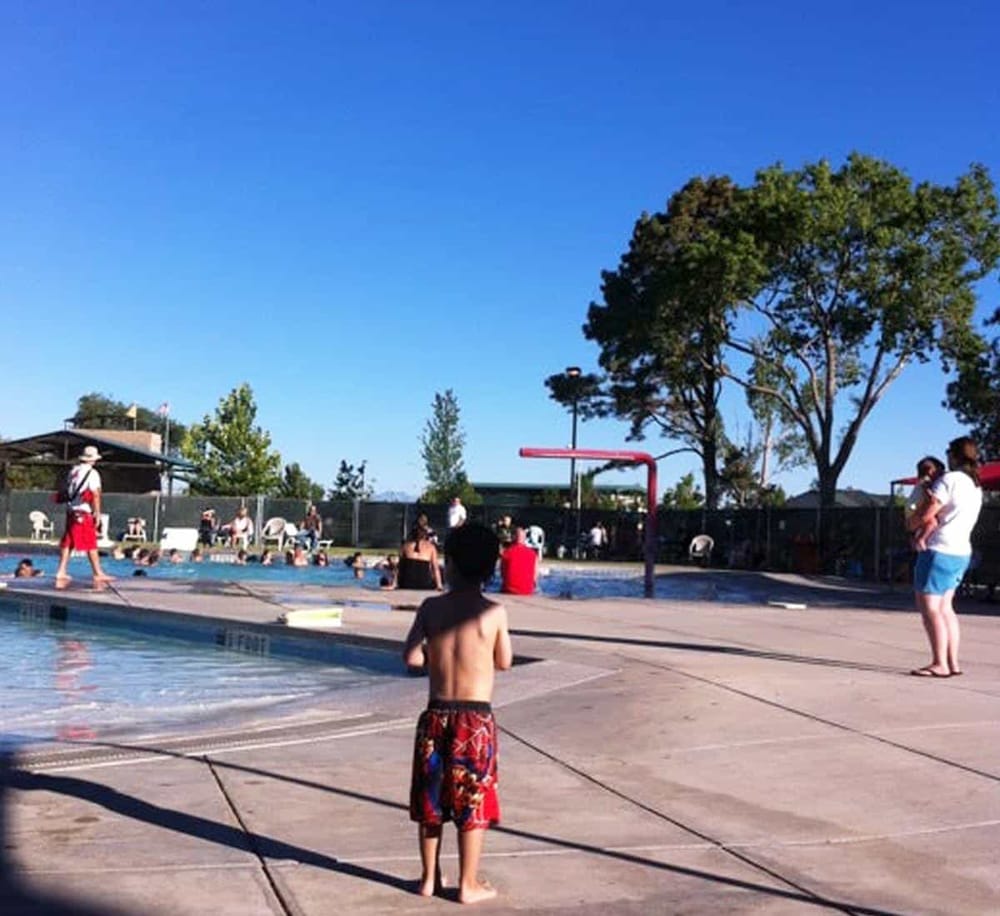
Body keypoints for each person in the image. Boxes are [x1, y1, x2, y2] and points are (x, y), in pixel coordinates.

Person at [403, 523, 513, 903]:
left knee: (431, 801)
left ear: (448, 565)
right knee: (472, 801)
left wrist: (438, 653)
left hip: (436, 716)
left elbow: (412, 657)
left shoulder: (431, 608)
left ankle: (428, 878)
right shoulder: (494, 612)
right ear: (491, 569)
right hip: (475, 722)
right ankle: (468, 883)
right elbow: (505, 661)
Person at [911, 436, 983, 678]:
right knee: (946, 608)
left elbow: (928, 513)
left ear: (954, 456)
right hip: (961, 550)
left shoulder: (949, 480)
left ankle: (939, 662)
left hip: (939, 550)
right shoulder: (975, 485)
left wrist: (913, 522)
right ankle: (952, 663)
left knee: (930, 607)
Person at [53, 446, 112, 588]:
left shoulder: (74, 471)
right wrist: (97, 513)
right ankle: (97, 572)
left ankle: (61, 570)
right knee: (90, 541)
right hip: (83, 511)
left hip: (71, 510)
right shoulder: (92, 473)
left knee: (68, 541)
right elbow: (95, 494)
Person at [906, 456, 946, 551]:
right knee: (932, 522)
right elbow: (927, 493)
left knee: (927, 523)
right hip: (915, 507)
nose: (941, 475)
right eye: (940, 472)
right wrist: (931, 497)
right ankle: (921, 539)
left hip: (912, 507)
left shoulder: (920, 482)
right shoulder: (925, 481)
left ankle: (918, 537)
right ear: (931, 471)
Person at [397, 523, 443, 590]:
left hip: (406, 583)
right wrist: (439, 585)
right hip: (424, 583)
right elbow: (435, 568)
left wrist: (394, 584)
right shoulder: (431, 548)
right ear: (425, 535)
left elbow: (400, 568)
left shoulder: (405, 546)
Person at [500, 527, 538, 595]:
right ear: (524, 538)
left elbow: (502, 574)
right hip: (527, 591)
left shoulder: (506, 552)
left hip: (508, 590)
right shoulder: (533, 554)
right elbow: (535, 578)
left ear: (513, 537)